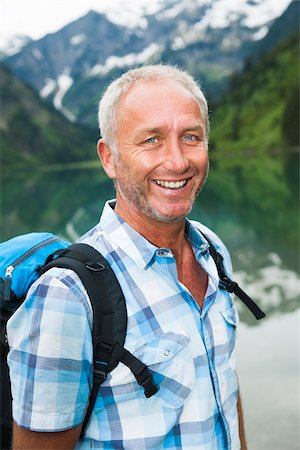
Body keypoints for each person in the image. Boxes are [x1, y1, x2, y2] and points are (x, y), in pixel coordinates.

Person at [7, 64, 247, 449]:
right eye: (151, 140)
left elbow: (226, 393)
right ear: (109, 158)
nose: (177, 160)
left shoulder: (212, 251)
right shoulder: (67, 294)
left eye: (191, 136)